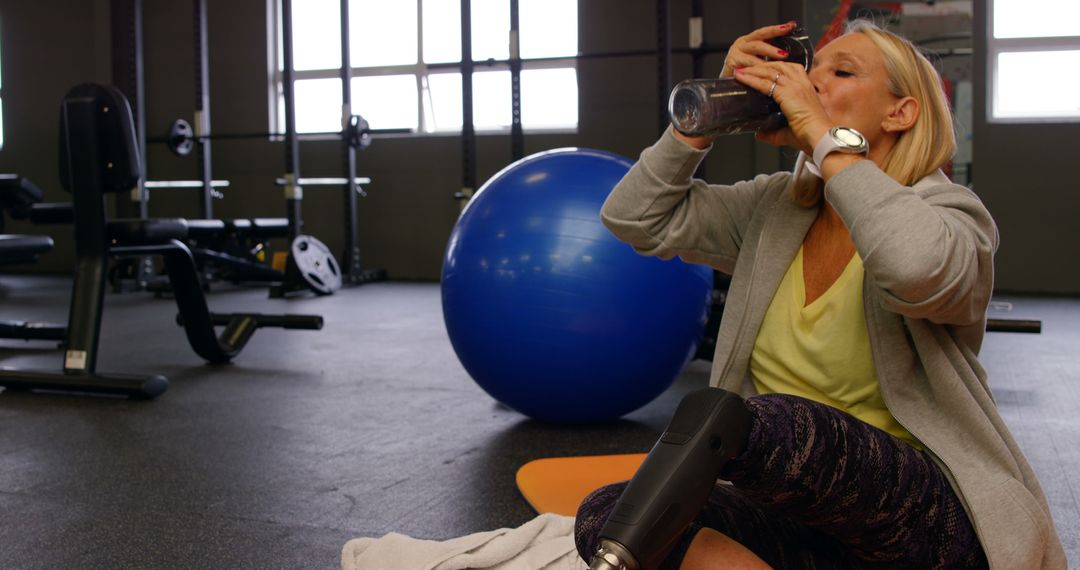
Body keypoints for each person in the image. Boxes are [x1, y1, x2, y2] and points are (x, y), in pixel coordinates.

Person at [574, 18, 1066, 570]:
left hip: (917, 522)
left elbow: (913, 268)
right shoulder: (775, 208)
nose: (809, 82)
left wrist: (821, 134)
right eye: (812, 71)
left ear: (899, 113)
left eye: (842, 71)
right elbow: (634, 216)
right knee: (618, 517)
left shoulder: (952, 215)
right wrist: (704, 119)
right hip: (800, 518)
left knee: (771, 423)